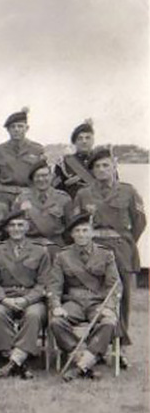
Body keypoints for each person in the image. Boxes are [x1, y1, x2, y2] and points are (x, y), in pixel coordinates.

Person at [73, 147, 146, 353]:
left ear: (114, 166)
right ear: (92, 170)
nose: (102, 169)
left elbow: (139, 221)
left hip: (119, 247)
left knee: (121, 295)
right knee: (95, 294)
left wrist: (125, 241)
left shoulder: (128, 191)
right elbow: (76, 222)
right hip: (93, 247)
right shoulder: (84, 194)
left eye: (106, 165)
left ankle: (120, 345)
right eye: (97, 166)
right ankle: (97, 343)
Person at [48, 213, 122, 382]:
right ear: (72, 234)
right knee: (56, 322)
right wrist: (56, 305)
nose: (81, 234)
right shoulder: (62, 256)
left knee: (109, 322)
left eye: (85, 230)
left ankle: (81, 365)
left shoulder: (106, 254)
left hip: (98, 302)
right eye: (77, 231)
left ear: (92, 233)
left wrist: (109, 307)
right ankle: (82, 358)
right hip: (73, 302)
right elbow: (54, 285)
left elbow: (114, 285)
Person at [0, 210, 49, 380]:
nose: (16, 229)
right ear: (7, 229)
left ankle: (13, 362)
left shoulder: (40, 251)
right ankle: (18, 362)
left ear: (27, 227)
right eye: (12, 225)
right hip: (5, 297)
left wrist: (26, 300)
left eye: (20, 225)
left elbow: (43, 283)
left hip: (31, 298)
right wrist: (4, 299)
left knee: (34, 315)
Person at [11, 160, 73, 251]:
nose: (41, 179)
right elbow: (13, 226)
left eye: (45, 175)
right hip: (30, 245)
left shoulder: (63, 198)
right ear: (32, 179)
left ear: (51, 177)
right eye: (37, 176)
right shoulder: (22, 199)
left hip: (56, 244)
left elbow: (70, 227)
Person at [0, 108, 46, 206]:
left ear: (27, 128)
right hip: (3, 197)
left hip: (28, 195)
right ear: (8, 130)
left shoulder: (37, 149)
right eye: (12, 127)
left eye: (20, 126)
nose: (16, 130)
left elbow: (43, 176)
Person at [54, 119, 97, 198]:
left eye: (88, 138)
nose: (84, 141)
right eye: (80, 138)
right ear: (74, 142)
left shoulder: (102, 161)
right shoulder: (64, 163)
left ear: (93, 140)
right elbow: (56, 190)